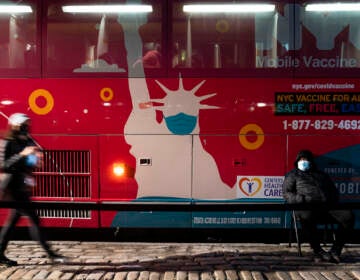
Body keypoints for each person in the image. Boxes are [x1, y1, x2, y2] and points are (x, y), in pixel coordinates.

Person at [0, 113, 65, 266]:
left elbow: (29, 163)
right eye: (24, 125)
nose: (26, 127)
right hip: (12, 188)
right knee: (34, 220)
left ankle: (0, 252)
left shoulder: (27, 140)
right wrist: (22, 155)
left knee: (13, 221)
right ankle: (51, 254)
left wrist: (35, 160)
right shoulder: (8, 142)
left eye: (27, 124)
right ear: (15, 126)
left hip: (22, 187)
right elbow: (4, 165)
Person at [282, 149, 354, 263]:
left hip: (326, 207)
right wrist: (303, 199)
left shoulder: (321, 174)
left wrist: (331, 200)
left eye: (306, 159)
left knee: (348, 216)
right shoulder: (292, 175)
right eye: (301, 159)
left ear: (311, 161)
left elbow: (333, 191)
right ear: (297, 161)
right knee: (307, 216)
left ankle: (335, 250)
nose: (304, 161)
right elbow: (287, 194)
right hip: (305, 207)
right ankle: (317, 251)